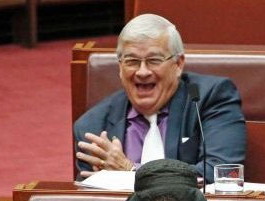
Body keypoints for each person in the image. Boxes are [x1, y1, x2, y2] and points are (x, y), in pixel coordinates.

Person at [73, 13, 246, 182]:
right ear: (120, 67)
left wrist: (131, 172)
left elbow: (221, 171)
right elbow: (88, 196)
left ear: (178, 64)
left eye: (154, 60)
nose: (142, 72)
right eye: (132, 61)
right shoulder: (94, 126)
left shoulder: (211, 97)